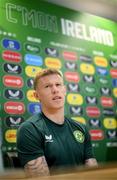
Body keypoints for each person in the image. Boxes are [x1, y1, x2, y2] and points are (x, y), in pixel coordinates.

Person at [17, 68, 98, 177]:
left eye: (58, 85)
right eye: (47, 86)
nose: (55, 90)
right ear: (36, 96)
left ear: (64, 90)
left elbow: (93, 175)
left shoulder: (81, 128)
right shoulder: (29, 129)